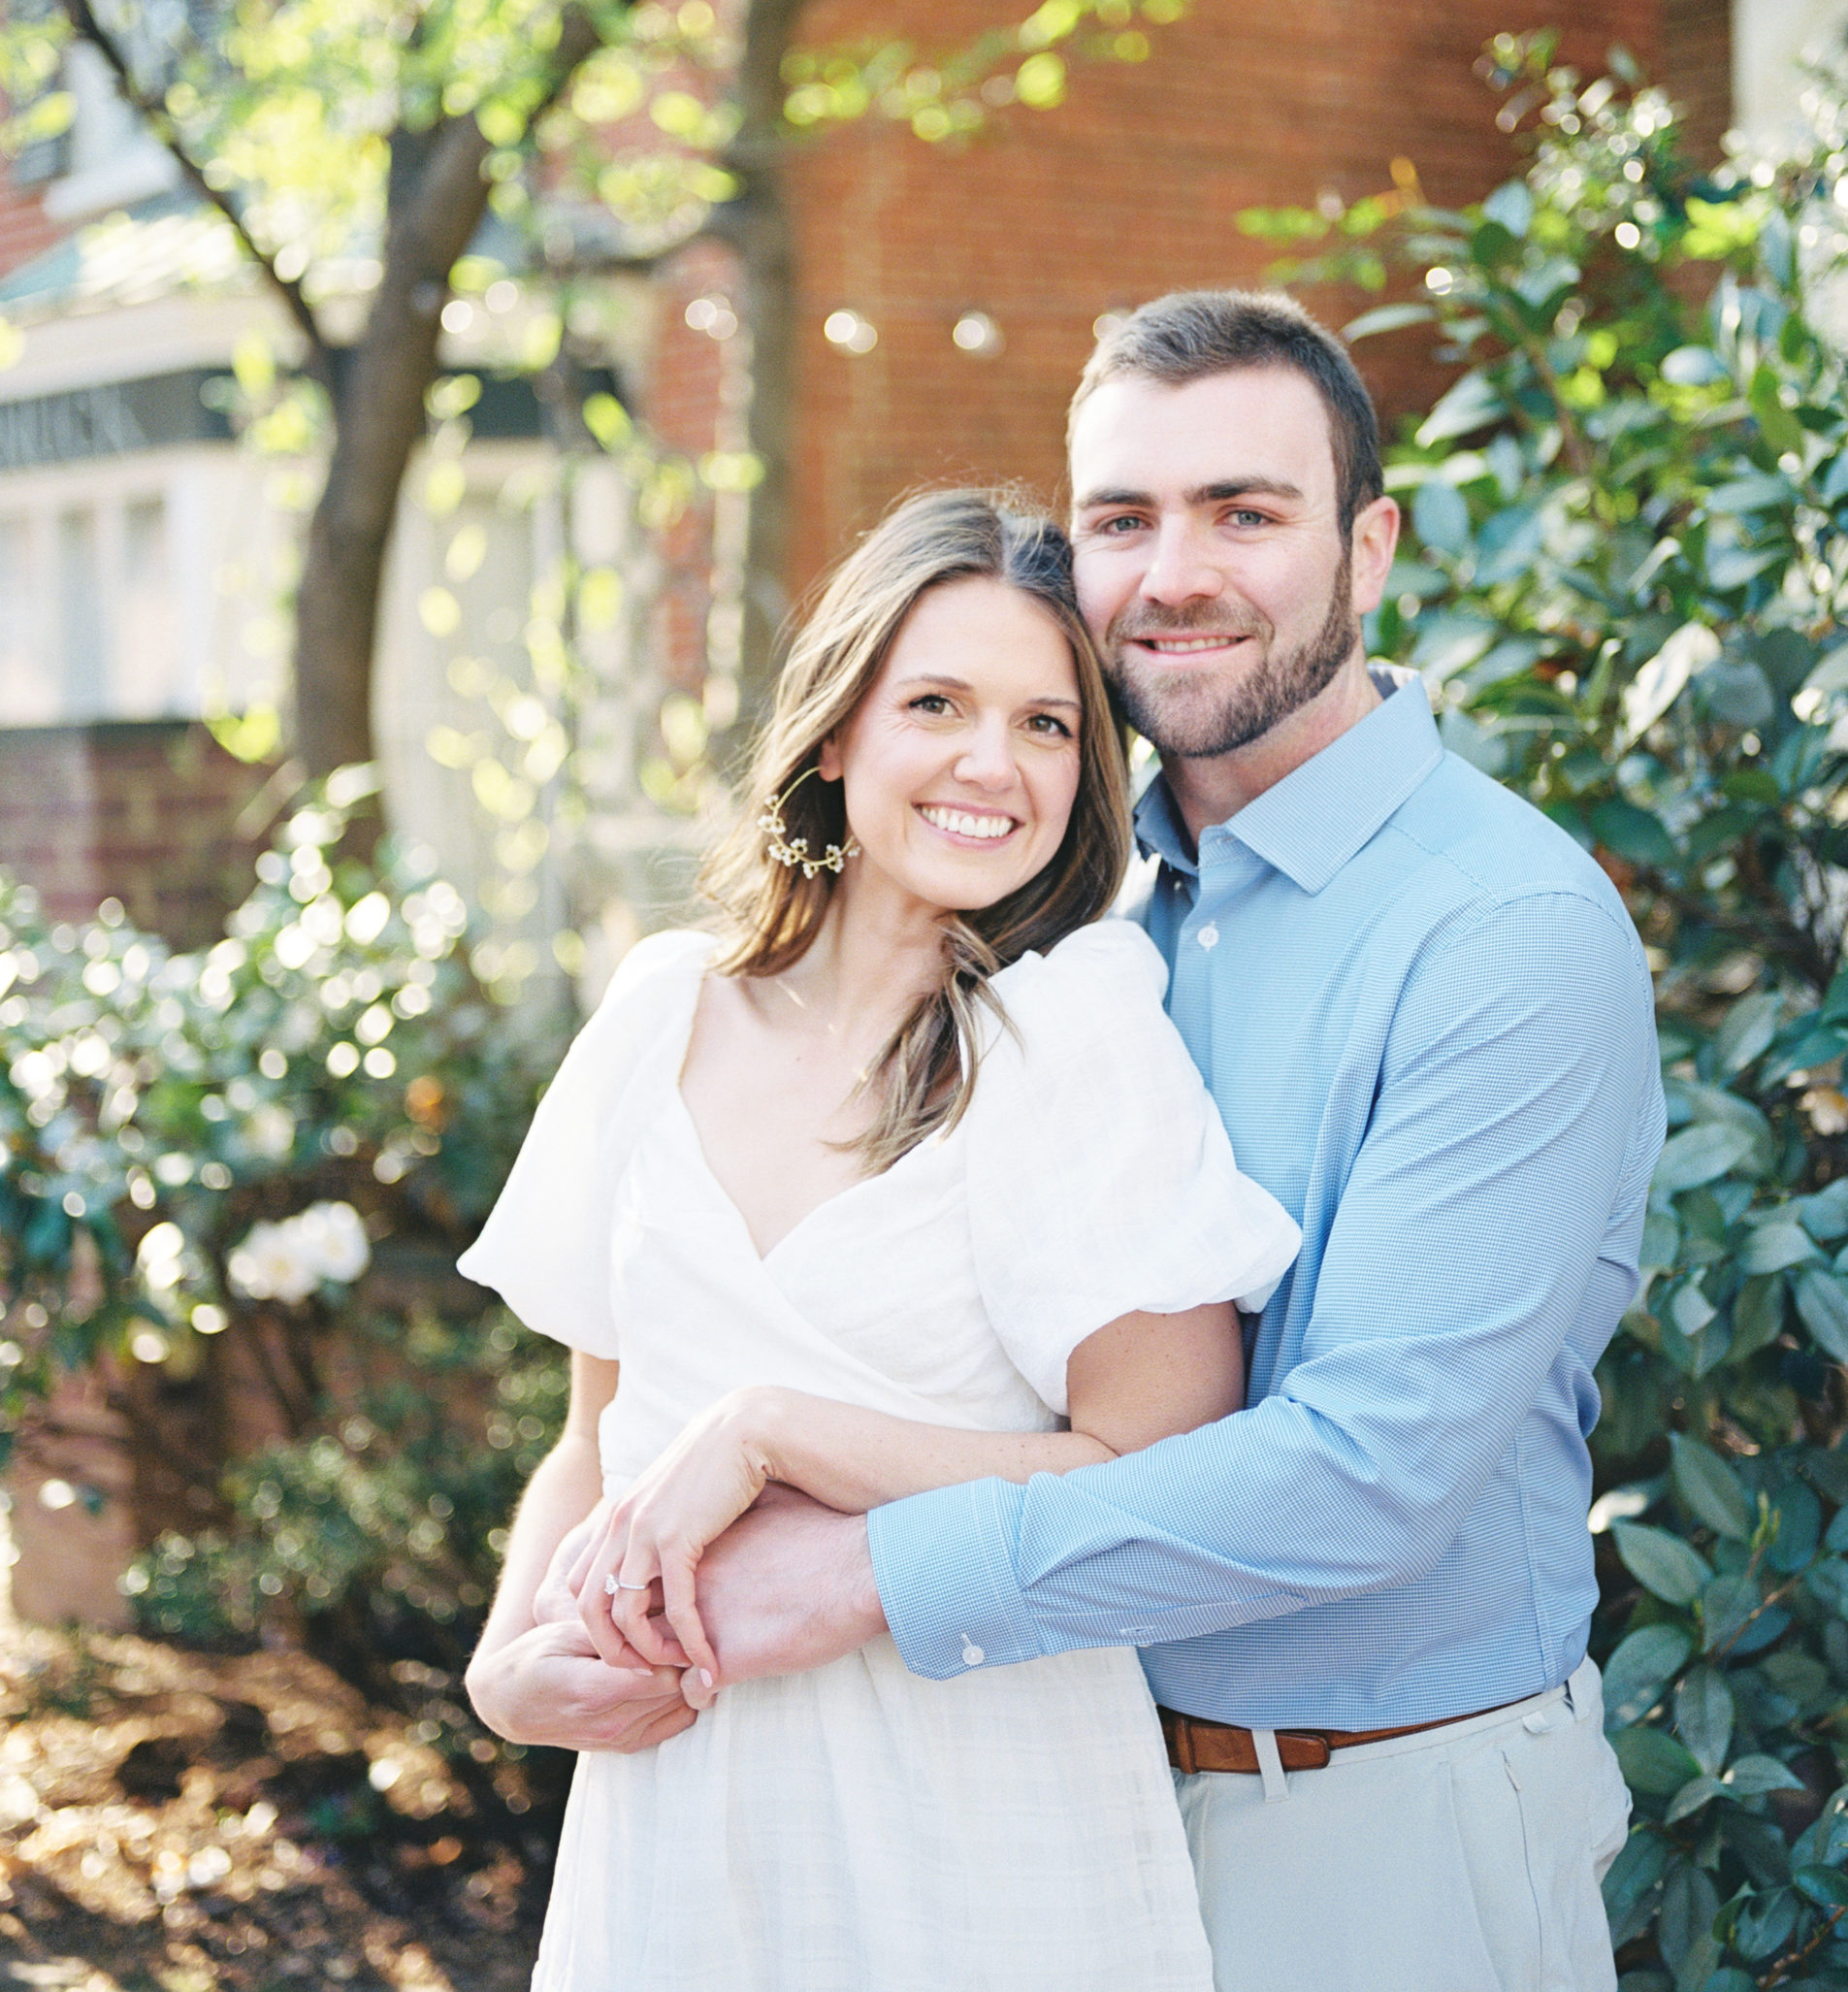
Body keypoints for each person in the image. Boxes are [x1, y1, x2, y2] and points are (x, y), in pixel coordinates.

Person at [658, 290, 1666, 1992]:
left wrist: (847, 1578)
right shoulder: (1071, 918)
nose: (1171, 574)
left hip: (1374, 1834)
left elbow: (1365, 1478)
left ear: (1368, 547)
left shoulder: (1501, 930)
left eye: (1243, 513)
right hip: (1045, 1803)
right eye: (1121, 518)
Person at [460, 487, 1302, 1990]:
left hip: (972, 1829)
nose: (993, 763)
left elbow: (1166, 1468)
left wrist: (777, 1432)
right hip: (672, 1826)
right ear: (837, 728)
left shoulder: (1067, 1036)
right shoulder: (662, 1010)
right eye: (936, 704)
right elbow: (594, 1438)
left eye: (1047, 726)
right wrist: (508, 1668)